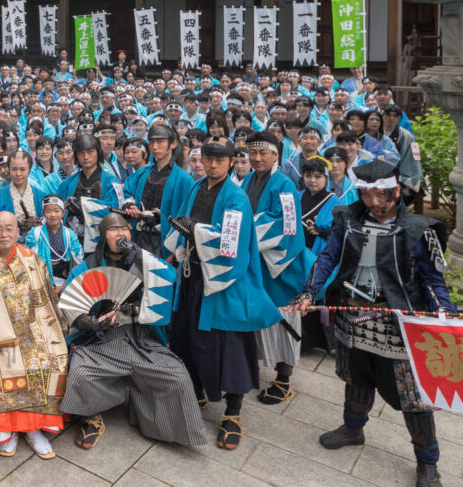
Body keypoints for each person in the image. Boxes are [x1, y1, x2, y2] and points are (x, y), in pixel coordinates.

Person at [291, 160, 454, 487]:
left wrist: (442, 312)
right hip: (353, 311)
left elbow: (433, 279)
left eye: (382, 197)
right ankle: (353, 429)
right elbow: (328, 258)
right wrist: (309, 291)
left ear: (397, 191)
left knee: (413, 396)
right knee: (356, 376)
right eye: (366, 196)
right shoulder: (346, 220)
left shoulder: (418, 229)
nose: (375, 205)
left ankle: (427, 461)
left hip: (398, 320)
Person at [165, 142, 282, 451]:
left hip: (223, 282)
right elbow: (183, 223)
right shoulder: (195, 187)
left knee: (228, 346)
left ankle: (233, 412)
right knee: (188, 337)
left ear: (231, 162)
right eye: (208, 159)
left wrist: (196, 231)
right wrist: (180, 240)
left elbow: (230, 248)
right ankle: (197, 390)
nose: (212, 165)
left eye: (220, 160)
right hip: (193, 275)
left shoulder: (236, 198)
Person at [61, 213, 207, 448]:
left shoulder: (145, 263)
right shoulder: (89, 267)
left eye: (125, 229)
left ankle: (165, 424)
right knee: (80, 372)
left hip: (140, 335)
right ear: (102, 236)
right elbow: (72, 305)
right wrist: (89, 322)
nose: (120, 234)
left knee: (176, 373)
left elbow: (168, 281)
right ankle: (91, 417)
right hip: (101, 339)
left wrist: (134, 305)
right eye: (113, 230)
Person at [0, 211, 68, 459]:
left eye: (9, 229)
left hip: (33, 332)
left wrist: (50, 331)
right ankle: (5, 430)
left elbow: (47, 300)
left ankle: (34, 429)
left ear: (18, 232)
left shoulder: (32, 260)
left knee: (48, 358)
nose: (4, 234)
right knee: (2, 367)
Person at [240, 132, 315, 406]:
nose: (257, 158)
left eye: (263, 153)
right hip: (256, 262)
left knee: (283, 322)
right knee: (256, 318)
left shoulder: (284, 186)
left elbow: (288, 225)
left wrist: (245, 230)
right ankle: (254, 367)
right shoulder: (247, 179)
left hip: (281, 265)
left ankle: (284, 379)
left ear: (276, 156)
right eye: (253, 152)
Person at [123, 124, 192, 256]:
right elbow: (127, 190)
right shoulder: (142, 173)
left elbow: (185, 217)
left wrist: (175, 254)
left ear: (173, 144)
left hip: (165, 241)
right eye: (152, 142)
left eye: (160, 142)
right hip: (140, 236)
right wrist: (130, 205)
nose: (155, 147)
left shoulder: (184, 179)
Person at [24, 195, 83, 295]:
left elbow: (77, 262)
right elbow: (28, 261)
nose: (53, 215)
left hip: (64, 282)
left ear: (63, 213)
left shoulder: (70, 235)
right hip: (40, 281)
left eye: (57, 211)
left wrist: (63, 286)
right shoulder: (35, 234)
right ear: (43, 213)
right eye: (48, 211)